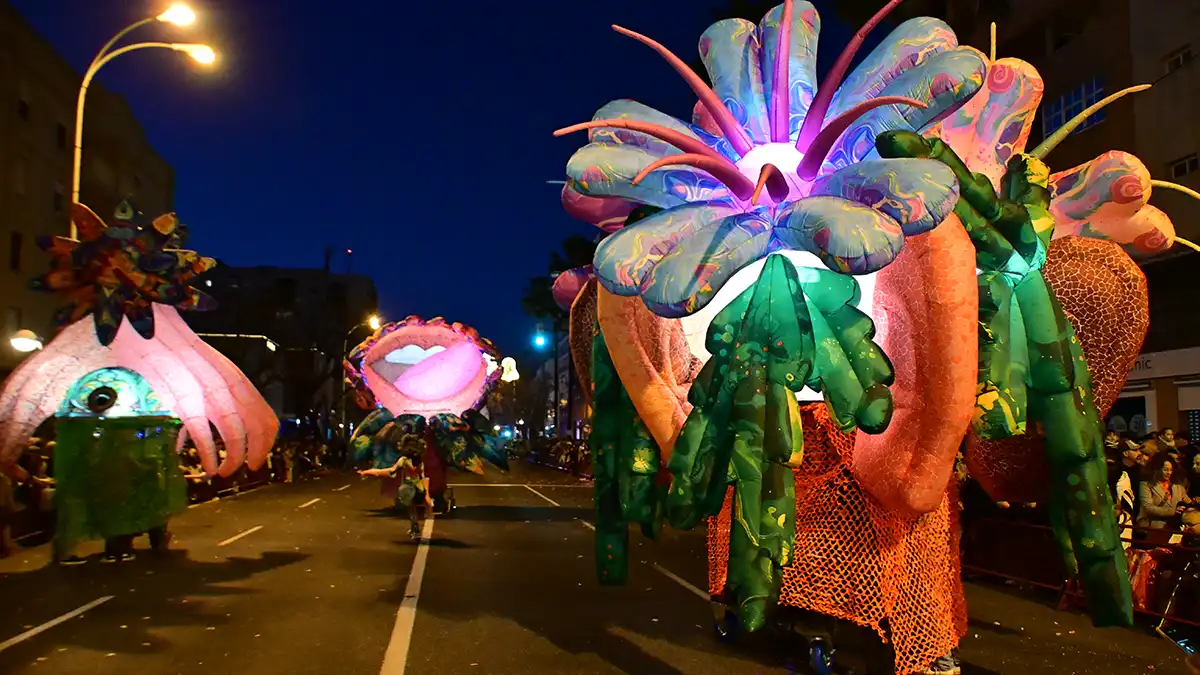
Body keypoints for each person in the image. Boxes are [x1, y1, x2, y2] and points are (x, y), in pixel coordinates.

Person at [360, 450, 431, 540]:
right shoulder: (419, 460)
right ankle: (416, 527)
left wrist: (368, 472)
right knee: (413, 507)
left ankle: (415, 530)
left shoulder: (404, 460)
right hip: (420, 487)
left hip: (409, 488)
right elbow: (422, 477)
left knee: (410, 506)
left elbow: (390, 472)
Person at [1138, 455, 1192, 541]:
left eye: (1171, 470)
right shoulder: (1146, 485)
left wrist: (1190, 506)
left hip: (1175, 525)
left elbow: (1188, 502)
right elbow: (1148, 508)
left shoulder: (1177, 486)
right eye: (1166, 470)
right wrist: (1172, 511)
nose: (1169, 473)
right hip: (1154, 524)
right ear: (1157, 469)